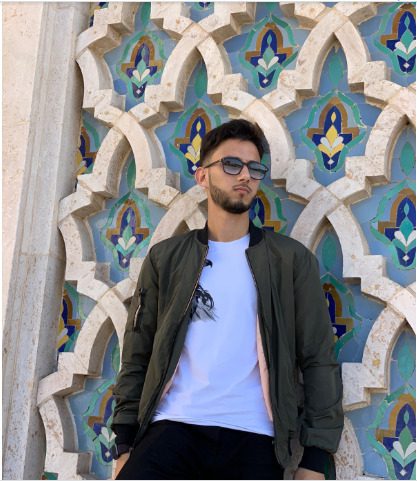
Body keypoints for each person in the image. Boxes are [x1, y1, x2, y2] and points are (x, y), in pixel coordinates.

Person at [111, 119, 344, 480]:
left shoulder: (290, 261)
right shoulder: (166, 258)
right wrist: (124, 443)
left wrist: (316, 458)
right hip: (172, 428)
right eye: (232, 164)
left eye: (254, 168)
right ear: (203, 176)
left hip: (253, 436)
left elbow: (318, 357)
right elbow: (137, 351)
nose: (245, 175)